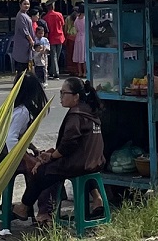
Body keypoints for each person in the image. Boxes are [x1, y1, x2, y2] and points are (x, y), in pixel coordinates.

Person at [12, 78, 105, 227]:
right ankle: (97, 198)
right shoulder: (89, 111)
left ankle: (25, 208)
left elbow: (68, 145)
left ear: (76, 96)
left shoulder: (75, 115)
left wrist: (51, 157)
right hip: (95, 161)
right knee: (50, 166)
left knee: (41, 173)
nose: (61, 96)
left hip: (79, 163)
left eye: (63, 93)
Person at [42, 2, 67, 79]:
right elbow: (63, 24)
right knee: (57, 55)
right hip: (59, 37)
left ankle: (54, 72)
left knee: (54, 56)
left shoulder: (45, 17)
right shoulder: (59, 15)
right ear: (53, 6)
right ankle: (54, 71)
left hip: (51, 37)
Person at [12, 0, 35, 76]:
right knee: (21, 66)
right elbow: (24, 30)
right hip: (22, 44)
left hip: (27, 44)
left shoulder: (26, 15)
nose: (26, 6)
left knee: (27, 66)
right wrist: (31, 40)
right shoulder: (20, 15)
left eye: (28, 4)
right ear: (20, 5)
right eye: (24, 4)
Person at [32, 21, 50, 86]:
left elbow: (48, 47)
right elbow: (33, 48)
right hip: (36, 56)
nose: (40, 35)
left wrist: (44, 50)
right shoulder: (34, 39)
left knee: (44, 69)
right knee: (36, 69)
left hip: (44, 56)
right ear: (36, 33)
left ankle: (45, 81)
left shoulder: (45, 40)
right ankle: (37, 81)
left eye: (42, 33)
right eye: (39, 33)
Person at [71, 5, 87, 79]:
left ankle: (80, 72)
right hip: (84, 37)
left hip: (78, 37)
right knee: (84, 55)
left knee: (78, 54)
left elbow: (76, 28)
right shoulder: (85, 18)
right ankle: (85, 72)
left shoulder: (77, 19)